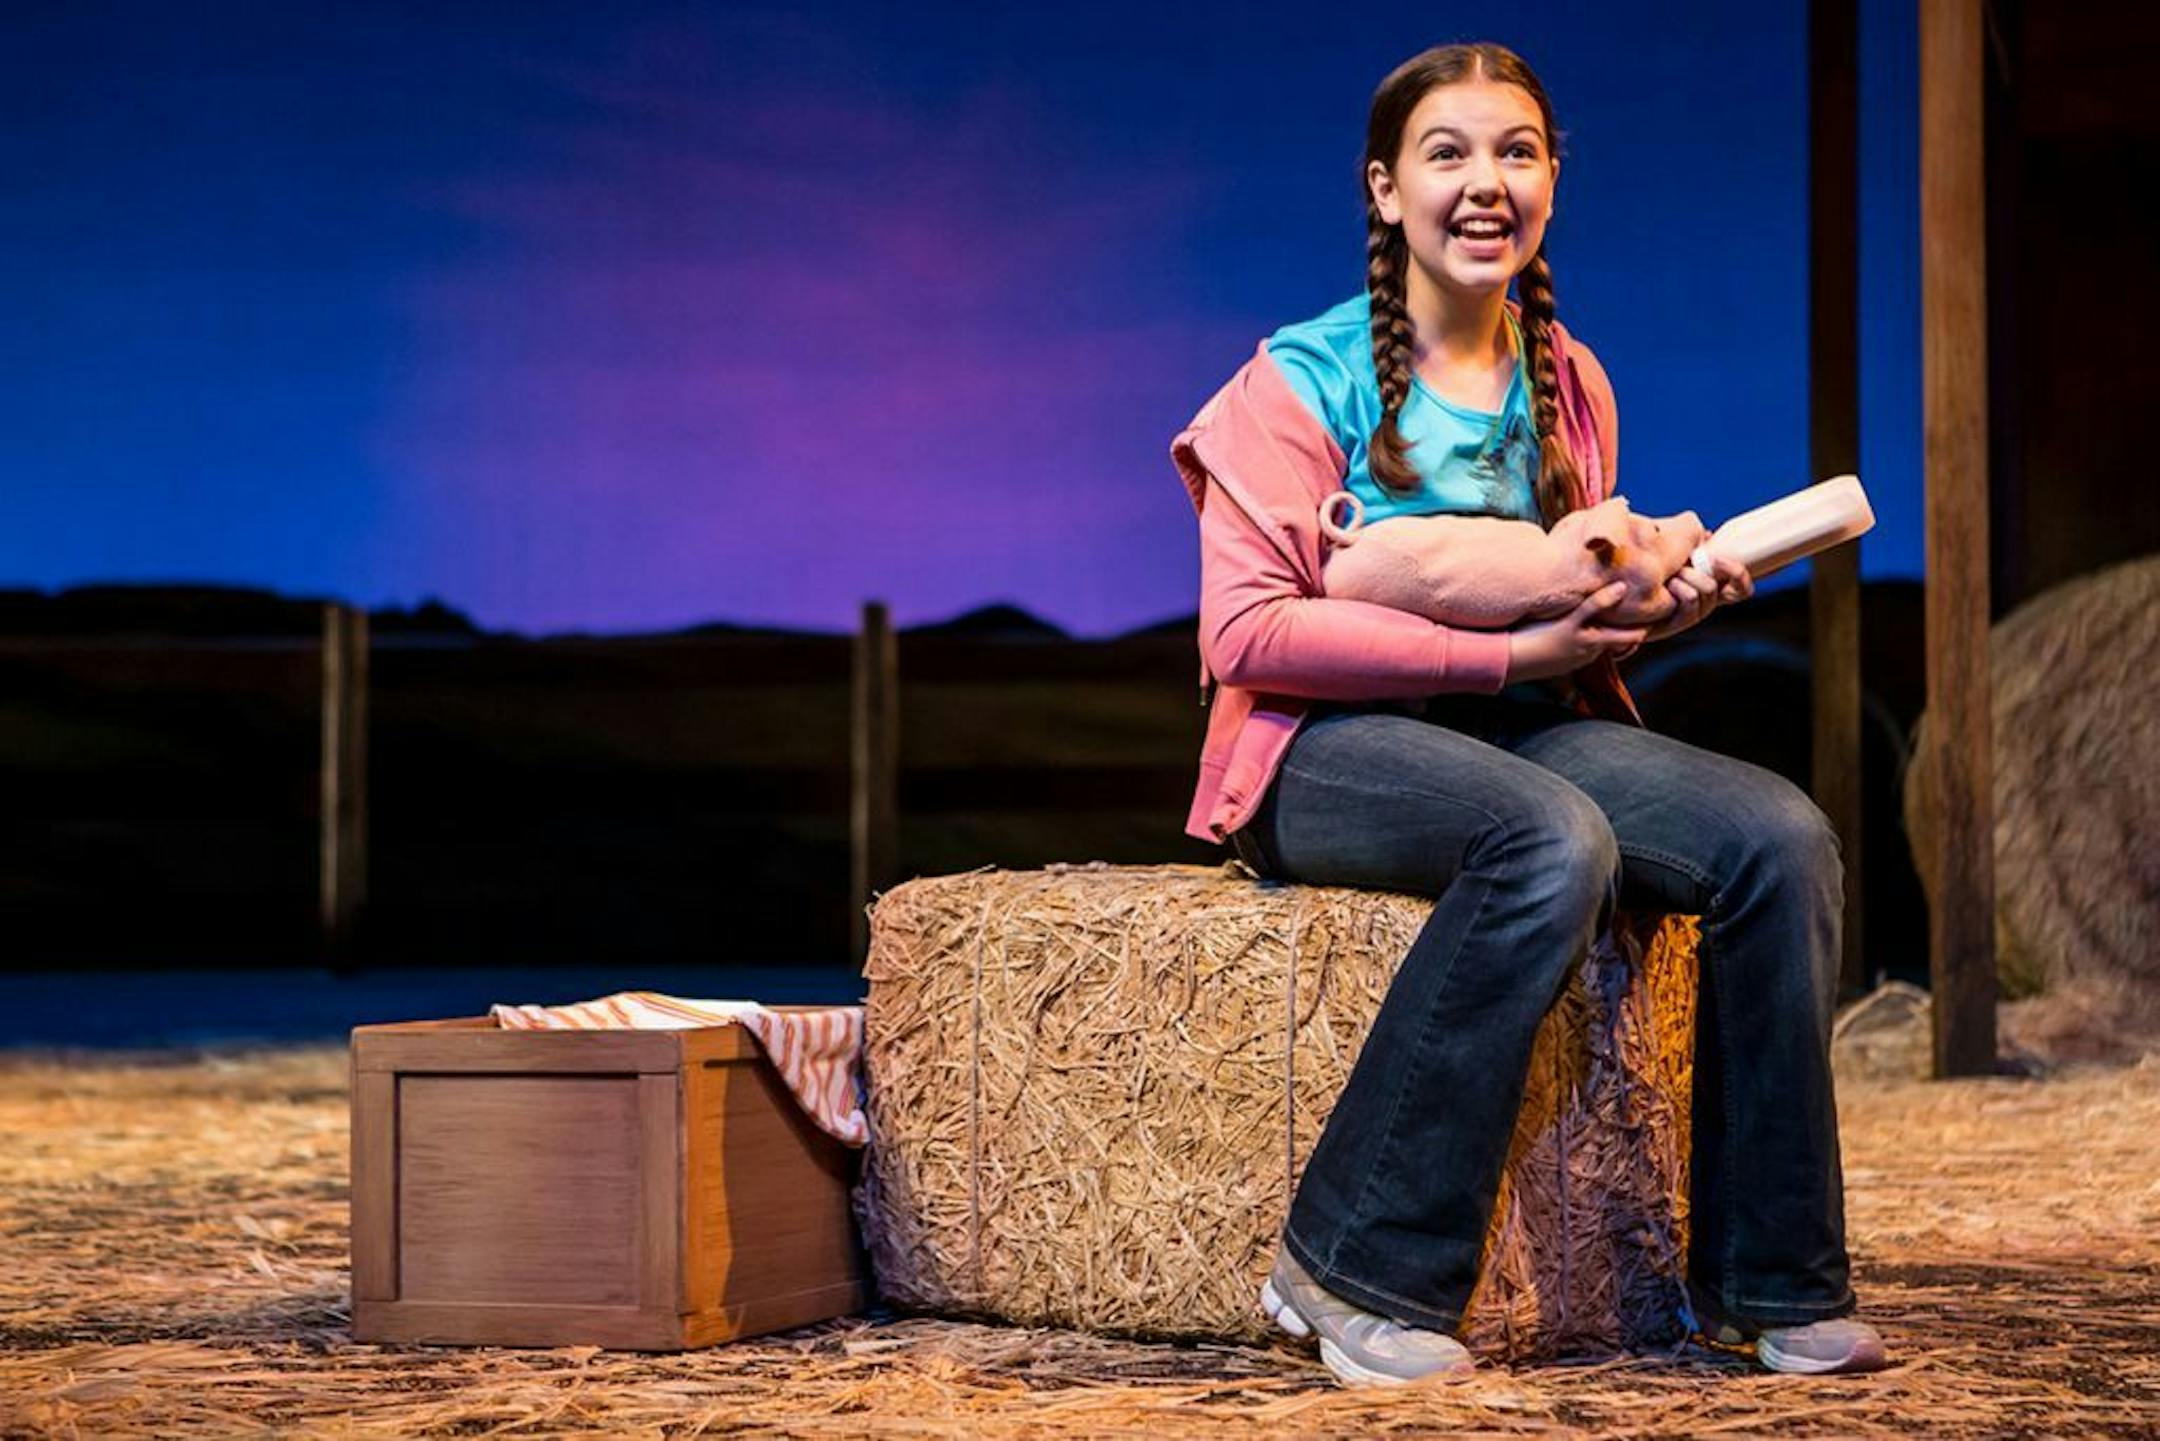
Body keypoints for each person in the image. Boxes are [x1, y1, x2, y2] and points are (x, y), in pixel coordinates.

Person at [1170, 41, 1887, 1386]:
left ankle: (1771, 1278)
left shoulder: (1570, 381)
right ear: (1386, 189)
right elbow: (1246, 634)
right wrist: (1506, 658)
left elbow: (1572, 616)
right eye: (1446, 153)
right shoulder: (1295, 381)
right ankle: (1349, 1266)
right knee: (1552, 839)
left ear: (1556, 176)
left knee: (1778, 838)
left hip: (1518, 731)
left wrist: (1669, 603)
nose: (1485, 182)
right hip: (1319, 749)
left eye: (1517, 151)